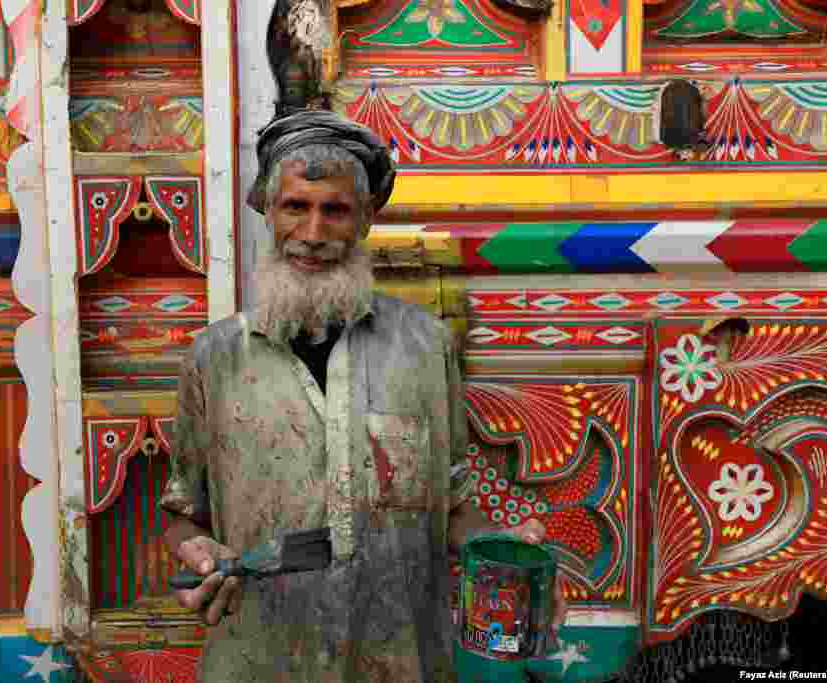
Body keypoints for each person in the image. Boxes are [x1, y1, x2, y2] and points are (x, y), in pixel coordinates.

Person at [159, 109, 563, 682]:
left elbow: (451, 507)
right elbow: (180, 517)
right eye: (296, 207)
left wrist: (497, 546)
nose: (314, 233)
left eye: (336, 210)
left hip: (399, 659)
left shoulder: (426, 346)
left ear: (366, 219)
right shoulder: (215, 357)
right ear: (267, 212)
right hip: (261, 658)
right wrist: (200, 553)